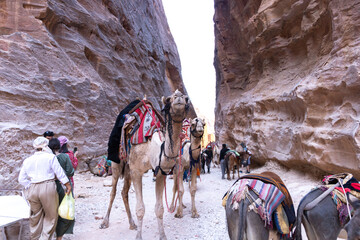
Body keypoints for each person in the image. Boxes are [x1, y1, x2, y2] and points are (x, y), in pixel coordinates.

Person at [18, 136, 71, 240]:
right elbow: (59, 173)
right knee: (51, 216)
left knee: (35, 217)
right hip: (47, 187)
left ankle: (35, 238)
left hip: (33, 188)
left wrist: (30, 185)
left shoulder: (28, 160)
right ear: (46, 146)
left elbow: (21, 179)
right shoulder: (50, 157)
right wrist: (67, 184)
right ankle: (44, 238)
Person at [48, 138, 75, 240]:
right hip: (64, 186)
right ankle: (59, 237)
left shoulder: (48, 158)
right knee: (65, 210)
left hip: (50, 186)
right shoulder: (64, 157)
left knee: (51, 212)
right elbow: (70, 171)